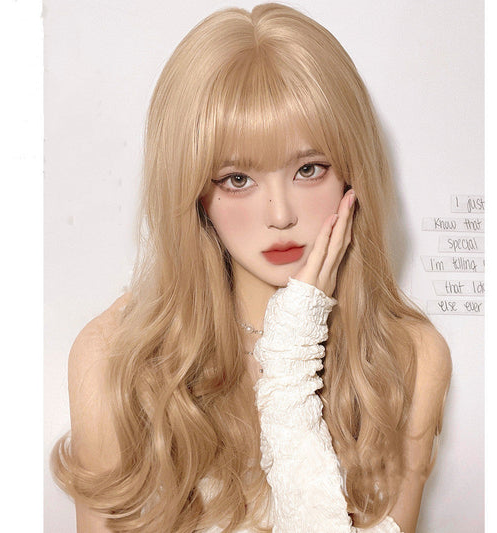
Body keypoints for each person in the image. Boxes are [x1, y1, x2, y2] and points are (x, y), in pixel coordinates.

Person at [51, 3, 452, 532]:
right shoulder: (114, 361)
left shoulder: (408, 360)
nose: (280, 215)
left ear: (353, 174)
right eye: (238, 179)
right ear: (194, 192)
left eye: (309, 169)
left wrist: (291, 360)